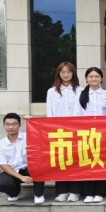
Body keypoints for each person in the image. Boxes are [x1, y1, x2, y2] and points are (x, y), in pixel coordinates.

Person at [46, 61, 83, 203]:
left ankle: (74, 191)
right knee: (60, 161)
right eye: (63, 72)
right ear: (58, 74)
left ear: (73, 73)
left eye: (68, 72)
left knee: (75, 161)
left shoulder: (80, 90)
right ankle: (62, 191)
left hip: (76, 130)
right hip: (59, 131)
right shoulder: (52, 91)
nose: (66, 75)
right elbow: (50, 112)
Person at [76, 67, 106, 203]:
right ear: (86, 79)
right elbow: (76, 114)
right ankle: (88, 193)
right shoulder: (80, 94)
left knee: (101, 162)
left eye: (97, 76)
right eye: (91, 76)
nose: (94, 79)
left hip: (102, 133)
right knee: (87, 163)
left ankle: (100, 192)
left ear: (101, 78)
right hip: (85, 134)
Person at [0, 113, 45, 204]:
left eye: (14, 124)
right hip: (13, 171)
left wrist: (32, 122)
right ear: (4, 125)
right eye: (7, 124)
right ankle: (14, 193)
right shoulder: (0, 145)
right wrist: (21, 177)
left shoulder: (28, 136)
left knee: (39, 168)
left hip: (29, 168)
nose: (10, 127)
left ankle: (38, 194)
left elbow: (42, 133)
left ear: (19, 125)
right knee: (1, 183)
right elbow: (3, 165)